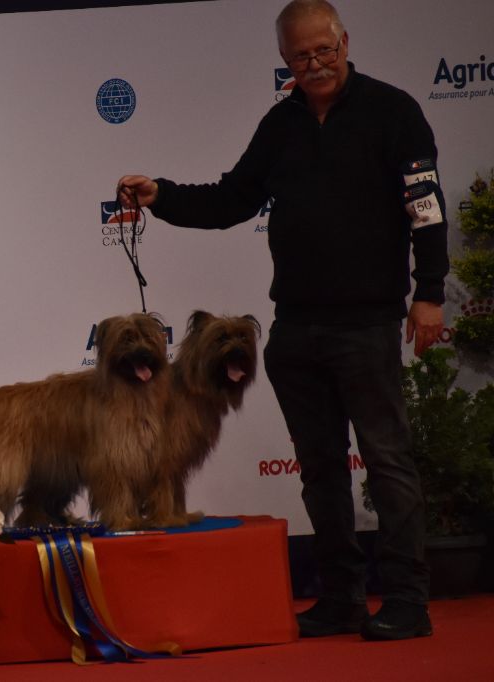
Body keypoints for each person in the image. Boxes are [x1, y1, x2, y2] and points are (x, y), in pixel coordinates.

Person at [117, 0, 447, 641]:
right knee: (320, 469)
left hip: (367, 325)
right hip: (294, 327)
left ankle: (407, 600)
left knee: (387, 461)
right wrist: (164, 196)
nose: (316, 62)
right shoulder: (282, 124)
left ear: (345, 41)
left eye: (325, 48)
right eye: (302, 55)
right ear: (285, 61)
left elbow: (426, 210)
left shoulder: (394, 111)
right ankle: (343, 598)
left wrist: (428, 292)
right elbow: (233, 198)